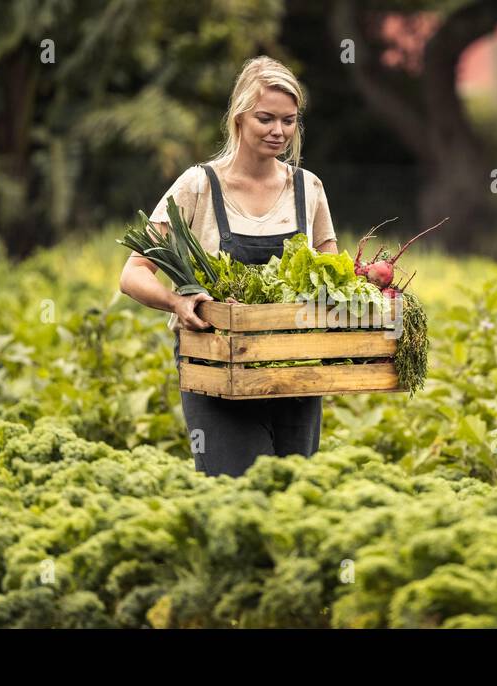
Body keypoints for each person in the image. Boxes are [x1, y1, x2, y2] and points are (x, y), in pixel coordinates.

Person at [118, 56, 339, 477]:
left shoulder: (307, 188)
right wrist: (177, 302)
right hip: (217, 369)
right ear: (239, 117)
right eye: (266, 118)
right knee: (236, 492)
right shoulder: (197, 185)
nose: (278, 131)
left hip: (294, 369)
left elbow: (332, 274)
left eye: (289, 121)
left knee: (294, 494)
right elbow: (132, 273)